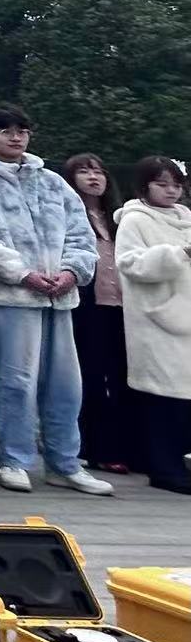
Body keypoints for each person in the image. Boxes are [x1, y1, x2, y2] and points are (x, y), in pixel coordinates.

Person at [0, 105, 110, 495]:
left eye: (22, 130)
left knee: (67, 384)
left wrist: (72, 272)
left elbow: (80, 234)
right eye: (5, 130)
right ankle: (15, 459)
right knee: (16, 381)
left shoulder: (52, 180)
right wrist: (24, 274)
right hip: (12, 296)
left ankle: (64, 463)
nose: (15, 137)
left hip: (60, 295)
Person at [113, 158, 191, 494]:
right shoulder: (134, 219)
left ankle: (175, 464)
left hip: (186, 320)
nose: (171, 190)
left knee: (184, 400)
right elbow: (130, 264)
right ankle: (164, 469)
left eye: (176, 184)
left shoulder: (186, 218)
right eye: (162, 184)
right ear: (144, 186)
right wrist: (179, 254)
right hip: (157, 320)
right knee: (164, 400)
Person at [63, 154, 131, 474]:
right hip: (88, 306)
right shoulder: (68, 215)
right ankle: (96, 447)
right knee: (91, 377)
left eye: (99, 171)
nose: (94, 177)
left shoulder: (119, 218)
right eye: (84, 171)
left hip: (124, 306)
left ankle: (127, 446)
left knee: (122, 377)